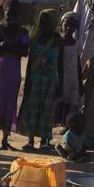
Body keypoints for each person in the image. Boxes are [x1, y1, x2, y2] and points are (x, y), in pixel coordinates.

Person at [0, 0, 30, 150]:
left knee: (10, 103)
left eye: (15, 14)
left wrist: (6, 45)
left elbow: (25, 52)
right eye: (9, 13)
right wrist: (13, 47)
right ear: (4, 12)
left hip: (13, 73)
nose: (11, 17)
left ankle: (5, 139)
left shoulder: (23, 32)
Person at [17, 8, 61, 151]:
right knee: (33, 109)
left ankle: (44, 141)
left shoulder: (58, 41)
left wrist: (60, 86)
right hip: (35, 80)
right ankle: (30, 140)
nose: (42, 26)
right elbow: (30, 62)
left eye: (46, 24)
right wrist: (27, 83)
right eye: (41, 23)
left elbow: (61, 64)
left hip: (51, 82)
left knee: (47, 111)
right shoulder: (35, 40)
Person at [54, 11, 80, 128]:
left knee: (71, 102)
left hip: (73, 79)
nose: (69, 28)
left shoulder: (76, 44)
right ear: (61, 26)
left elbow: (78, 64)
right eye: (66, 25)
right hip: (61, 78)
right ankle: (59, 123)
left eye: (72, 25)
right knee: (61, 101)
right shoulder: (58, 43)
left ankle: (68, 126)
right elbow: (57, 63)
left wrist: (80, 82)